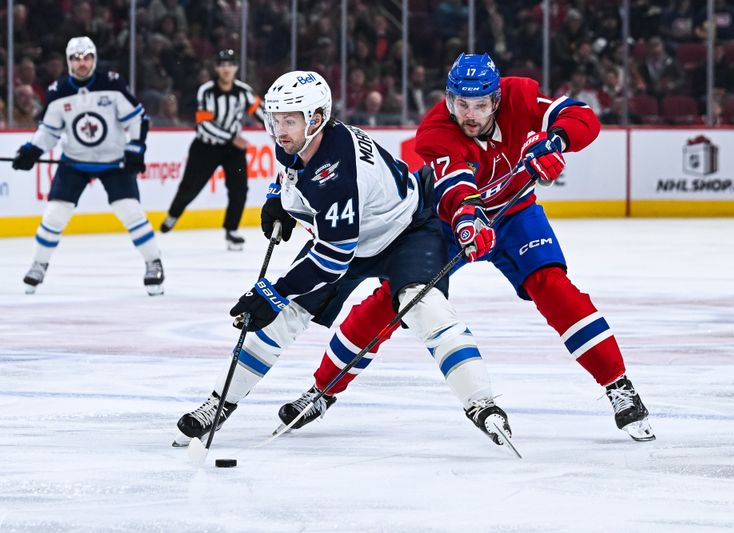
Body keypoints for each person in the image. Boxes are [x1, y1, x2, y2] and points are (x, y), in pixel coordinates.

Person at [279, 53, 656, 442]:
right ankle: (322, 390)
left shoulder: (521, 97)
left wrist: (556, 141)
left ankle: (618, 385)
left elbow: (582, 116)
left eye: (480, 104)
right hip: (443, 222)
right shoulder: (436, 131)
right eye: (462, 104)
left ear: (496, 100)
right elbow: (455, 188)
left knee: (553, 286)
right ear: (449, 100)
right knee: (395, 300)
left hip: (515, 216)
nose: (470, 114)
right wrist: (467, 221)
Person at [173, 71, 514, 450]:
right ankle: (221, 401)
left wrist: (274, 292)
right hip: (354, 236)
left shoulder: (335, 170)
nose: (279, 129)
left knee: (425, 308)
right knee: (284, 317)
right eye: (276, 119)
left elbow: (334, 258)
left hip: (408, 232)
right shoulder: (303, 140)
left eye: (290, 120)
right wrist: (280, 199)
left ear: (316, 118)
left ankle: (481, 403)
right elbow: (293, 171)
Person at [11, 36, 164, 296]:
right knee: (54, 214)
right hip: (74, 162)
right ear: (69, 62)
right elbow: (49, 131)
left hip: (113, 161)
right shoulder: (57, 91)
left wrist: (136, 147)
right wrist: (32, 150)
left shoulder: (112, 84)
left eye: (87, 58)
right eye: (76, 59)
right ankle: (39, 264)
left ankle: (154, 263)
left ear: (94, 59)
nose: (82, 63)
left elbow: (138, 119)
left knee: (130, 211)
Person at [159, 49, 265, 250]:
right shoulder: (206, 91)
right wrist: (232, 137)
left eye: (230, 64)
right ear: (217, 68)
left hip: (233, 150)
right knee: (190, 186)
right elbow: (203, 125)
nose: (226, 68)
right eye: (222, 64)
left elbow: (261, 113)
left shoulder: (243, 91)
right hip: (205, 147)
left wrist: (280, 127)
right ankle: (173, 214)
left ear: (236, 67)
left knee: (239, 189)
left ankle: (232, 231)